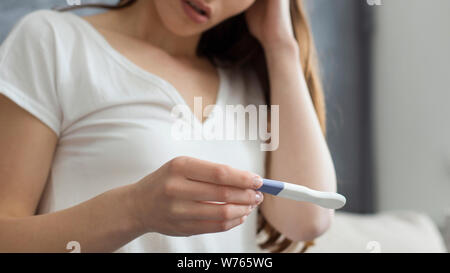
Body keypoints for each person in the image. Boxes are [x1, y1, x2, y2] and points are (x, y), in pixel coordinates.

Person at [0, 0, 337, 253]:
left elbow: (309, 219)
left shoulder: (248, 82)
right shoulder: (53, 42)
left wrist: (281, 45)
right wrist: (134, 210)